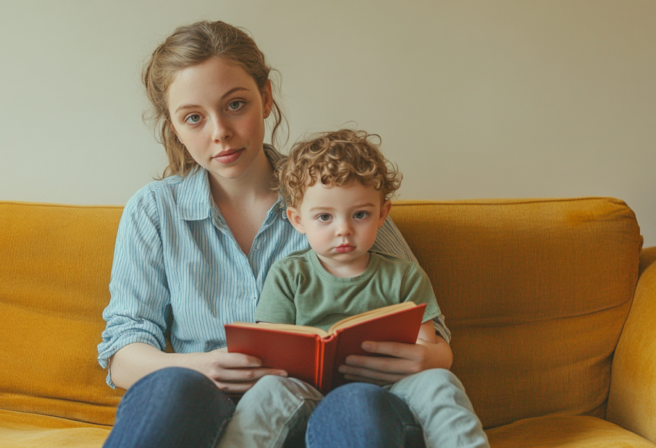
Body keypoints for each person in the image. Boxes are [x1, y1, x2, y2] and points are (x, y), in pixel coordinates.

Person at [97, 20, 454, 448]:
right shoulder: (155, 210)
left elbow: (429, 330)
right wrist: (202, 366)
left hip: (332, 407)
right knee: (171, 387)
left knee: (355, 404)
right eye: (194, 117)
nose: (220, 132)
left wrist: (424, 357)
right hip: (213, 405)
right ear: (174, 127)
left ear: (265, 99)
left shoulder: (336, 192)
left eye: (235, 105)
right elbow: (124, 352)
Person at [216, 129, 488, 448]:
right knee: (265, 393)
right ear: (297, 220)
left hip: (388, 392)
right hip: (304, 392)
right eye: (324, 217)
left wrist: (428, 358)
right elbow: (271, 351)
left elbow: (426, 347)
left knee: (440, 382)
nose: (343, 230)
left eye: (360, 215)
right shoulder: (288, 274)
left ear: (382, 214)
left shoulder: (404, 276)